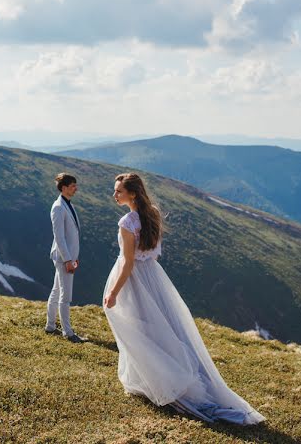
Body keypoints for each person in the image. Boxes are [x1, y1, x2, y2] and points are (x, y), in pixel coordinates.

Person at [103, 173, 266, 424]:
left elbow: (128, 262)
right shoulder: (153, 213)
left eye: (119, 191)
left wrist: (114, 292)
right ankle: (150, 378)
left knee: (140, 330)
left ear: (132, 194)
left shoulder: (126, 222)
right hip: (154, 277)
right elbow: (152, 254)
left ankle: (161, 380)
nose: (115, 195)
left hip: (135, 280)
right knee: (162, 328)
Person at [46, 172, 85, 343]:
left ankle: (50, 326)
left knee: (56, 292)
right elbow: (59, 237)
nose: (75, 189)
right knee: (65, 296)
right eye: (72, 186)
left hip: (67, 256)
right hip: (63, 258)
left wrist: (73, 256)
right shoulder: (58, 207)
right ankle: (68, 333)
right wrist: (68, 259)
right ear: (64, 188)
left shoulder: (67, 204)